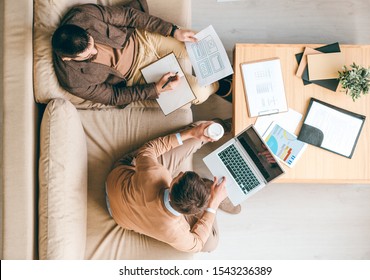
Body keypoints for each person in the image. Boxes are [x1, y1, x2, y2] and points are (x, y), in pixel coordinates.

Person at [105, 121, 240, 252]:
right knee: (211, 243)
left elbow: (148, 150)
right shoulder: (175, 230)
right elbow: (197, 245)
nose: (180, 172)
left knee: (198, 133)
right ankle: (211, 191)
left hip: (117, 191)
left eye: (180, 175)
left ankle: (210, 190)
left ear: (171, 186)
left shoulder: (154, 176)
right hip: (123, 193)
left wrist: (190, 134)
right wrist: (213, 205)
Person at [51, 1, 220, 106]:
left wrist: (173, 30)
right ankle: (219, 85)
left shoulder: (83, 15)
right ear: (68, 58)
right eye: (88, 55)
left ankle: (222, 72)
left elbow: (129, 16)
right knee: (200, 92)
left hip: (142, 39)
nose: (94, 51)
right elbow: (113, 97)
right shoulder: (72, 80)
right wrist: (155, 89)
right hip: (137, 75)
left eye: (91, 42)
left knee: (201, 42)